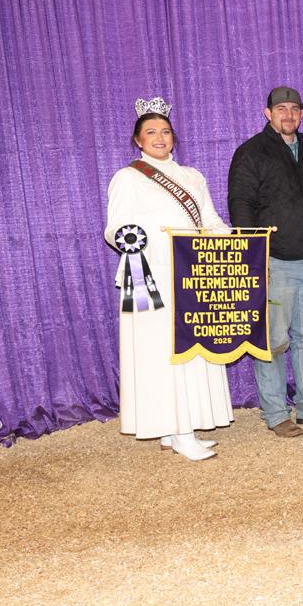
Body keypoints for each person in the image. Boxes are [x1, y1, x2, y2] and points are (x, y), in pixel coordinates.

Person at [104, 97, 233, 461]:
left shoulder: (193, 176)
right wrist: (130, 238)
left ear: (173, 137)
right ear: (138, 140)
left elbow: (209, 219)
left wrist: (232, 242)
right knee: (159, 351)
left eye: (165, 131)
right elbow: (115, 227)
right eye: (151, 132)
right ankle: (177, 430)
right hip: (150, 274)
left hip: (192, 272)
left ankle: (179, 427)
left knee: (191, 347)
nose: (159, 138)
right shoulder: (128, 177)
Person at [228, 86, 303, 437]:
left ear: (302, 114)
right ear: (268, 113)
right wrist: (255, 253)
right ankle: (276, 412)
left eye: (294, 109)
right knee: (273, 340)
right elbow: (240, 203)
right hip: (276, 260)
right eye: (281, 109)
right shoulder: (251, 152)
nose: (288, 115)